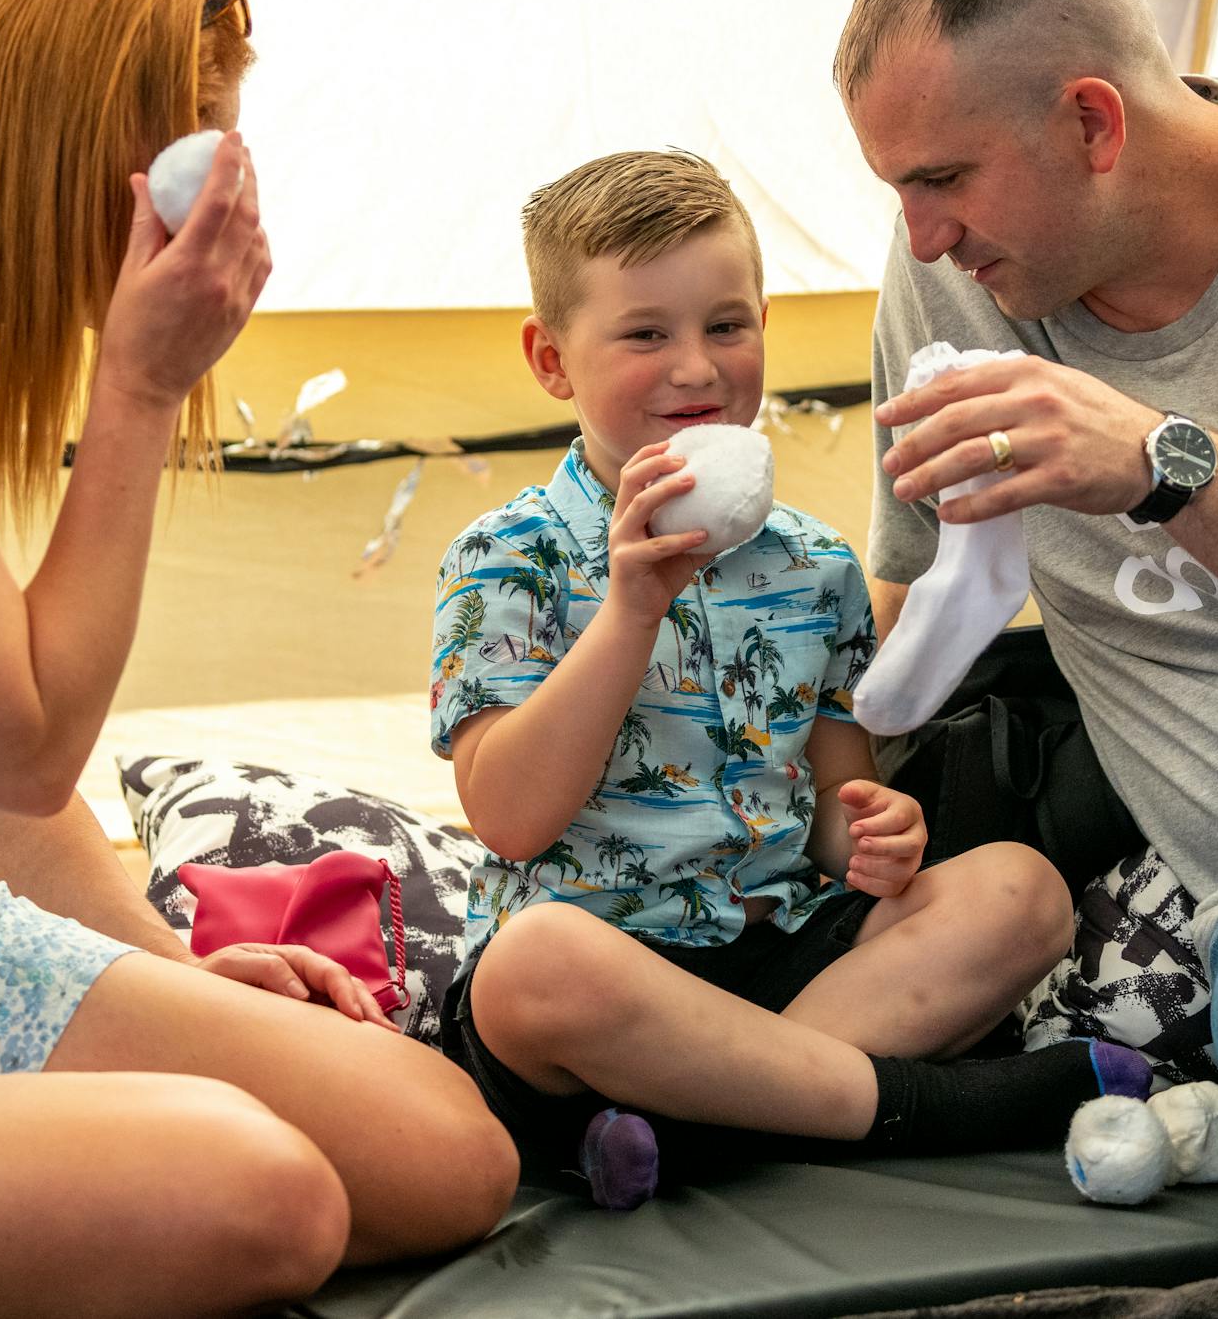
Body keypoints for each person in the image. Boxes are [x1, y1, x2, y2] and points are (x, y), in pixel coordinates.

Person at [0, 0, 517, 1319]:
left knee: (446, 1155)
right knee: (266, 1198)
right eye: (196, 177)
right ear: (97, 159)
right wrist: (138, 391)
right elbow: (17, 745)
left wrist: (165, 961)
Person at [427, 149, 1148, 1210]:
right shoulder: (506, 555)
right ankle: (927, 1104)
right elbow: (511, 817)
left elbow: (831, 806)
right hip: (603, 981)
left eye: (727, 325)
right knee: (533, 964)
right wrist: (630, 612)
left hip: (781, 954)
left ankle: (691, 1121)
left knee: (1021, 892)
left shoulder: (814, 564)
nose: (697, 368)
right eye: (644, 333)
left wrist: (871, 830)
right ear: (552, 359)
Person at [836, 0, 1218, 1177]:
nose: (922, 234)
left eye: (943, 178)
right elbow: (907, 620)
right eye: (898, 188)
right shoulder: (949, 283)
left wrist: (1159, 463)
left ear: (1092, 120)